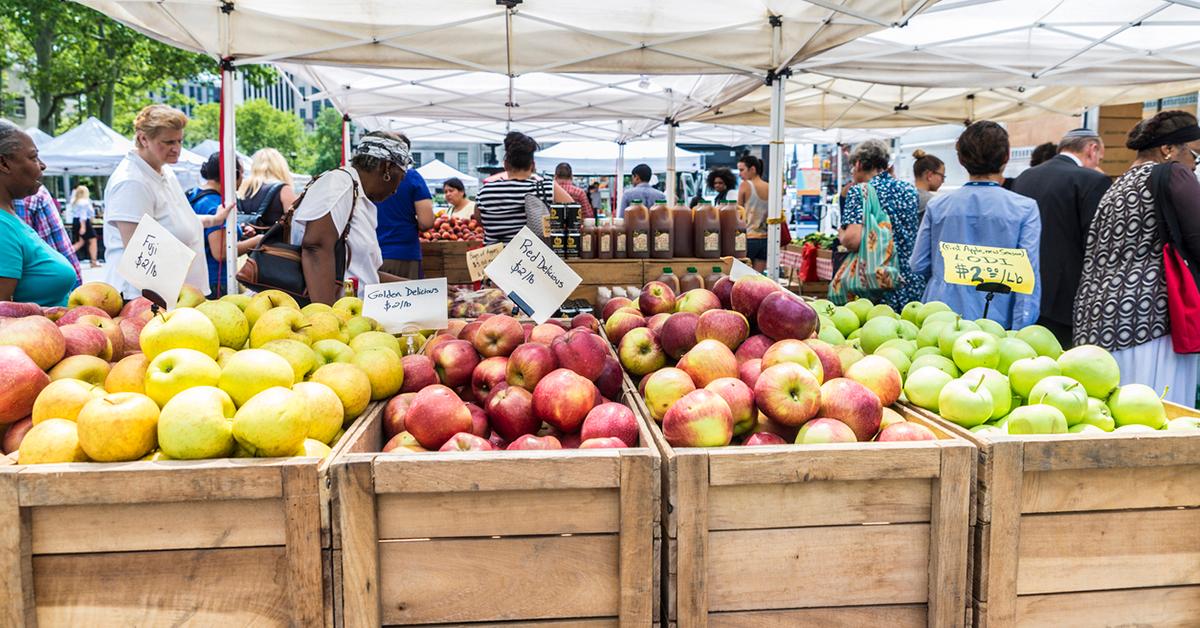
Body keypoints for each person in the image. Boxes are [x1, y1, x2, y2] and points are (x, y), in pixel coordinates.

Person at [1074, 111, 1200, 406]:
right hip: (1151, 321)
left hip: (1098, 319)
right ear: (1168, 150)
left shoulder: (1115, 186)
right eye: (1194, 154)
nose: (1194, 164)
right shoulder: (1173, 173)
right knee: (1160, 419)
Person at [911, 121, 1041, 329]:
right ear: (1006, 157)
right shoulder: (1025, 209)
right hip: (997, 320)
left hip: (941, 318)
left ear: (961, 159)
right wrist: (1019, 329)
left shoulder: (938, 206)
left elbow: (918, 264)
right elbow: (1027, 281)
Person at [104, 105, 232, 299]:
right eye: (169, 142)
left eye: (180, 141)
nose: (177, 148)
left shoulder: (164, 170)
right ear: (143, 139)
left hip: (177, 295)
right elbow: (138, 252)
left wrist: (214, 220)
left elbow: (178, 220)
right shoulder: (131, 181)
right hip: (147, 298)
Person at [1012, 128, 1112, 347]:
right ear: (1092, 149)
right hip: (1068, 296)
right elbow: (1097, 243)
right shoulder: (1093, 180)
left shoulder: (1026, 177)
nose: (1097, 163)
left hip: (1024, 288)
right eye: (1099, 158)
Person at [293, 131, 412, 304]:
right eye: (400, 179)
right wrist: (326, 318)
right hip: (328, 320)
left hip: (353, 317)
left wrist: (421, 287)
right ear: (387, 168)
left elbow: (362, 272)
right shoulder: (339, 184)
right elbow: (315, 248)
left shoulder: (357, 197)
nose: (395, 190)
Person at [838, 139, 924, 311]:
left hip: (878, 282)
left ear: (859, 163)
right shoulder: (909, 190)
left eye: (853, 168)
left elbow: (852, 240)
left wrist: (841, 233)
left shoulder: (860, 191)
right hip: (910, 281)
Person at [0, 120, 77, 306]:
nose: (42, 165)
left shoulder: (11, 217)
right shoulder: (2, 227)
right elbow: (5, 316)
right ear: (4, 163)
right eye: (33, 157)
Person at [475, 131, 571, 245]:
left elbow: (479, 220)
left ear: (505, 164)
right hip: (534, 259)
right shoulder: (546, 188)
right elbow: (573, 213)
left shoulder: (485, 192)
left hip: (496, 260)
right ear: (533, 165)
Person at [187, 153, 262, 295]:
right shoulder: (216, 205)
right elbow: (220, 251)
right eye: (242, 174)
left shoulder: (194, 194)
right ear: (233, 174)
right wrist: (256, 241)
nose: (242, 179)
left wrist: (238, 231)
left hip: (195, 280)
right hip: (215, 284)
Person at [375, 134, 434, 280]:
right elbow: (426, 222)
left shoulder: (370, 177)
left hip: (371, 254)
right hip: (403, 254)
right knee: (409, 300)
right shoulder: (412, 177)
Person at [18, 184, 82, 287]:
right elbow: (60, 248)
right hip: (38, 290)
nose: (42, 167)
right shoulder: (35, 193)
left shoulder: (34, 194)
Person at [239, 148, 298, 228]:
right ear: (280, 166)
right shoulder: (284, 189)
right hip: (273, 239)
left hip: (243, 239)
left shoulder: (240, 188)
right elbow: (296, 223)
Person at [736, 155, 771, 271]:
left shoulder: (745, 185)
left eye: (742, 170)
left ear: (753, 169)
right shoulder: (769, 187)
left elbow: (738, 213)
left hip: (748, 238)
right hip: (766, 239)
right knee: (758, 278)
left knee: (742, 276)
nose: (740, 174)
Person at [67, 186, 99, 269]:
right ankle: (94, 262)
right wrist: (83, 227)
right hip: (83, 222)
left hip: (76, 221)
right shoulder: (84, 202)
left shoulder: (74, 201)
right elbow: (83, 215)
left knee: (80, 242)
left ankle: (65, 254)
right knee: (93, 240)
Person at [911, 150, 945, 218]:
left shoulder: (905, 196)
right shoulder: (932, 202)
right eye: (942, 176)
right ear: (929, 175)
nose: (943, 181)